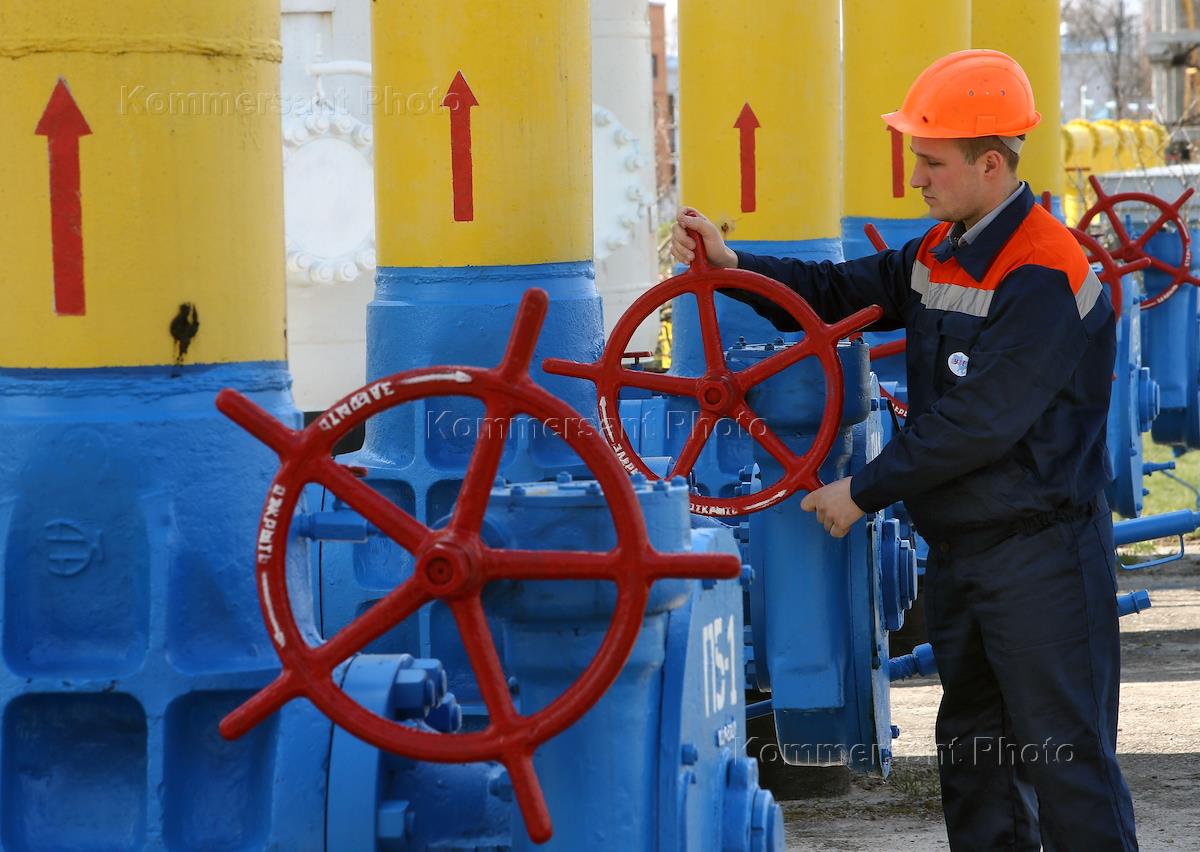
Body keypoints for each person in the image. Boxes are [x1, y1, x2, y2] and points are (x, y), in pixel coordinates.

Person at [671, 49, 1138, 851]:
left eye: (931, 162)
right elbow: (837, 294)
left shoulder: (1043, 269)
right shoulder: (941, 252)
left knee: (1067, 766)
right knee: (978, 765)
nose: (915, 179)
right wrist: (734, 266)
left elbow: (980, 423)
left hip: (1043, 561)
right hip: (965, 552)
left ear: (991, 165)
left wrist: (861, 491)